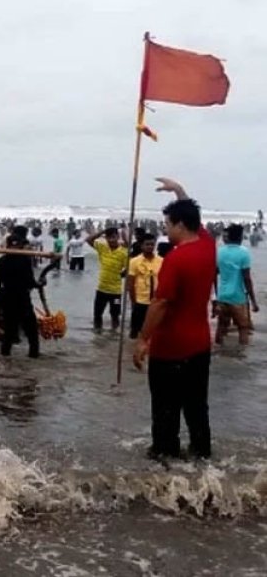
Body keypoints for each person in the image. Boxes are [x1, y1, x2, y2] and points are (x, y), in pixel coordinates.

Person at [134, 178, 215, 460]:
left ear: (180, 225)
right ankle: (202, 455)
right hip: (200, 345)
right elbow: (196, 217)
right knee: (196, 407)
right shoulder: (207, 244)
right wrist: (180, 191)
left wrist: (143, 339)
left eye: (167, 224)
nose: (165, 230)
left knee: (165, 410)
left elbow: (159, 303)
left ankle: (164, 459)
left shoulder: (176, 259)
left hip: (170, 349)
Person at [0, 234, 43, 358]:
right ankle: (33, 356)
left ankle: (5, 358)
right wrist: (40, 284)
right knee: (32, 333)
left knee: (9, 333)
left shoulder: (0, 262)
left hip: (7, 300)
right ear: (21, 246)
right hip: (23, 300)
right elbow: (30, 282)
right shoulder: (24, 260)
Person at [215, 224, 259, 345]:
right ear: (240, 237)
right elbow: (247, 278)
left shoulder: (220, 251)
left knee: (221, 326)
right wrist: (253, 301)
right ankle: (242, 355)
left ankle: (219, 351)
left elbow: (215, 273)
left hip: (222, 295)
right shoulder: (244, 253)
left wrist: (215, 293)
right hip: (238, 297)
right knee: (243, 328)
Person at [86, 227, 128, 331]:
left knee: (115, 315)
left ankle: (113, 335)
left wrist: (122, 274)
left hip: (116, 291)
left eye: (114, 237)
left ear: (118, 237)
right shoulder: (102, 247)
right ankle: (97, 335)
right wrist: (102, 232)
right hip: (101, 289)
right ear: (105, 238)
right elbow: (88, 240)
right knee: (97, 314)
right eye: (109, 237)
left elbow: (129, 268)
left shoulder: (123, 252)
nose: (111, 240)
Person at [126, 233, 162, 339]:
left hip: (155, 301)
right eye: (147, 244)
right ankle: (131, 351)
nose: (150, 247)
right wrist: (133, 302)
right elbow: (130, 284)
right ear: (141, 246)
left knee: (153, 330)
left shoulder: (161, 261)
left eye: (152, 244)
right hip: (140, 301)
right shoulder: (134, 262)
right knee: (135, 330)